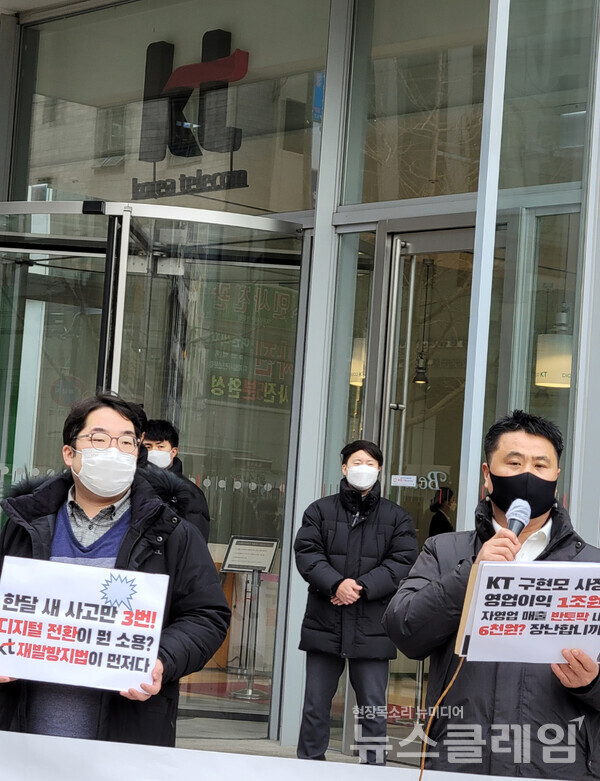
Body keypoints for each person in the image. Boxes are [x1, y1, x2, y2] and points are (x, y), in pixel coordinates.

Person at [0, 393, 230, 746]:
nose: (113, 450)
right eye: (99, 439)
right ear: (69, 453)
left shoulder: (171, 531)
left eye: (126, 442)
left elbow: (207, 615)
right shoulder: (22, 524)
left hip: (127, 738)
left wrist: (162, 659)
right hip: (21, 739)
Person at [383, 410, 600, 778]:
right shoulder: (445, 551)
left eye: (540, 465)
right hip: (461, 759)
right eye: (514, 463)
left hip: (560, 763)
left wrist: (592, 683)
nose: (528, 475)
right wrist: (472, 573)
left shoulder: (592, 567)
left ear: (556, 477)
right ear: (488, 475)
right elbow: (404, 629)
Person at [294, 439, 417, 764]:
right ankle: (308, 768)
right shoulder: (319, 510)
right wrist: (336, 583)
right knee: (315, 707)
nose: (363, 469)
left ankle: (373, 769)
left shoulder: (396, 517)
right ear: (345, 468)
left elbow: (402, 561)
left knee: (373, 709)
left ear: (379, 470)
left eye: (370, 463)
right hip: (325, 622)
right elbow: (307, 554)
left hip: (372, 625)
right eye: (357, 463)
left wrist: (360, 587)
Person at [143, 418, 211, 541]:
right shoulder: (131, 485)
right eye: (148, 446)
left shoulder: (189, 493)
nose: (153, 451)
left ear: (173, 452)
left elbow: (195, 542)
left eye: (160, 446)